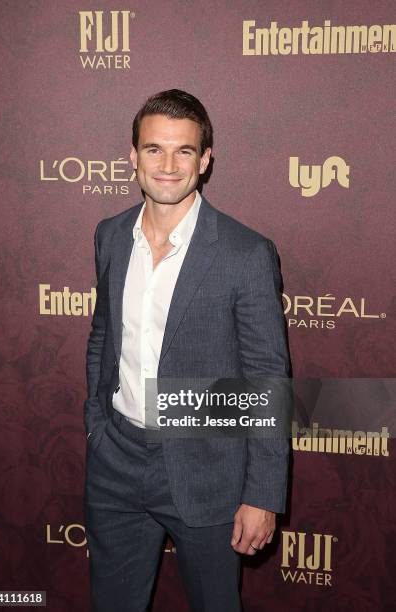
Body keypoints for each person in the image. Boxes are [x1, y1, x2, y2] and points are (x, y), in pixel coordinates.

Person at [83, 89, 291, 612]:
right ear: (132, 157)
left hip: (208, 466)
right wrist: (97, 425)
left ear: (205, 160)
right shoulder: (110, 235)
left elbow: (266, 377)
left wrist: (263, 493)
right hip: (117, 458)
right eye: (154, 149)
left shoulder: (246, 252)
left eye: (183, 151)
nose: (168, 165)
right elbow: (103, 338)